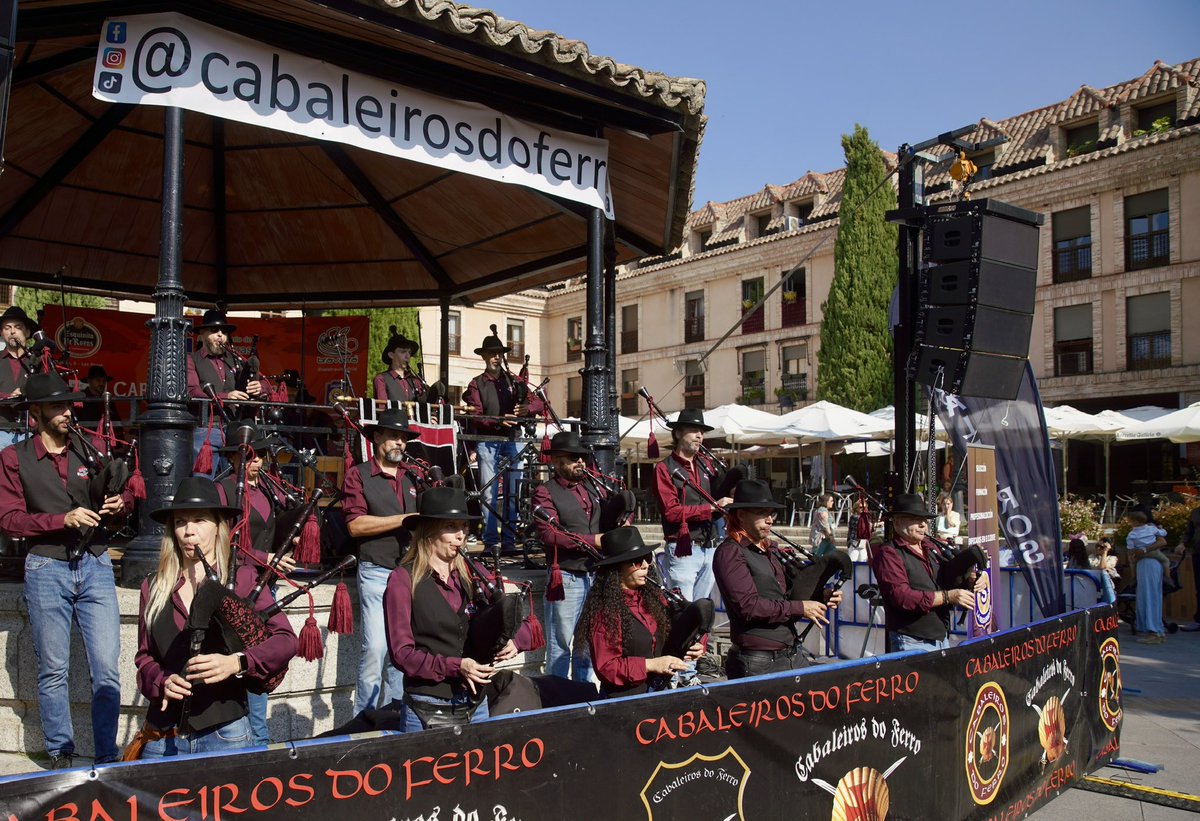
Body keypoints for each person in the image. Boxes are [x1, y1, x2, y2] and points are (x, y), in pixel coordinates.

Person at [0, 372, 130, 768]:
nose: (66, 412)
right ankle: (61, 753)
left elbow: (117, 491)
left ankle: (107, 756)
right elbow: (9, 519)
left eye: (68, 404)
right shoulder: (13, 457)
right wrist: (60, 520)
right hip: (46, 565)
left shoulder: (88, 448)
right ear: (36, 412)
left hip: (94, 562)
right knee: (53, 669)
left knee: (107, 669)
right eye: (56, 406)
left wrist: (117, 503)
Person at [133, 476, 297, 758]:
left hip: (225, 733)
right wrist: (162, 682)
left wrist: (238, 662)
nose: (189, 531)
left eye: (200, 520)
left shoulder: (241, 579)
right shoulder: (154, 586)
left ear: (219, 527)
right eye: (181, 522)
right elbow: (145, 658)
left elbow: (286, 641)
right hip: (162, 738)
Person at [384, 486, 535, 730]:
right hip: (427, 709)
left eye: (463, 528)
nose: (460, 536)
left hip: (476, 706)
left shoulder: (473, 573)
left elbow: (515, 612)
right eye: (451, 527)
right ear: (429, 532)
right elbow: (402, 654)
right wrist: (457, 665)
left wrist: (516, 640)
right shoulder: (402, 580)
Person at [215, 426, 299, 746]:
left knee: (260, 667)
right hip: (233, 587)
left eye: (261, 455)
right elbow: (222, 542)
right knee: (241, 667)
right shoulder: (223, 490)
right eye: (249, 455)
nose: (256, 461)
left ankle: (259, 745)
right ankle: (246, 745)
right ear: (235, 458)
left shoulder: (267, 491)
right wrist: (268, 558)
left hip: (264, 587)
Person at [713, 479, 841, 678]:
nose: (769, 520)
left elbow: (786, 595)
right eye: (761, 513)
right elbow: (748, 607)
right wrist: (801, 608)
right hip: (757, 661)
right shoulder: (730, 552)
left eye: (770, 513)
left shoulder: (770, 550)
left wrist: (820, 597)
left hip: (791, 653)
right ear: (740, 515)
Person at [342, 407, 421, 713]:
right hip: (376, 570)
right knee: (375, 649)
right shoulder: (358, 475)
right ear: (377, 438)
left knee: (403, 652)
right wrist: (404, 520)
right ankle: (364, 721)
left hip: (410, 573)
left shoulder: (412, 477)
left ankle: (396, 718)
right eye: (393, 437)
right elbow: (355, 525)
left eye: (403, 438)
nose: (399, 443)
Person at [575, 526, 704, 697]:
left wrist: (691, 646)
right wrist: (650, 665)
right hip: (623, 702)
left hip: (658, 694)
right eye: (636, 561)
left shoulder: (654, 599)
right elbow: (607, 668)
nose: (645, 565)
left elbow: (674, 635)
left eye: (646, 558)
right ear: (616, 568)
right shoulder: (605, 610)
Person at [462, 327, 542, 556]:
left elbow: (539, 403)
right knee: (488, 493)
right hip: (488, 440)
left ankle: (508, 542)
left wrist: (528, 408)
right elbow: (475, 415)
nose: (497, 356)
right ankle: (490, 543)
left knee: (513, 492)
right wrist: (498, 422)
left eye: (499, 353)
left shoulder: (514, 381)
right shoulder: (476, 383)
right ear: (484, 356)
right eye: (492, 353)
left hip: (513, 439)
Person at [870, 493, 984, 653]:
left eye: (924, 520)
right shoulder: (889, 554)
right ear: (897, 522)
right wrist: (947, 597)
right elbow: (901, 596)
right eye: (915, 519)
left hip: (941, 636)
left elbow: (947, 579)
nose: (923, 525)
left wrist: (971, 579)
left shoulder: (931, 547)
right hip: (911, 640)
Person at [530, 431, 601, 682]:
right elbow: (549, 535)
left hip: (595, 573)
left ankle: (583, 694)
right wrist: (595, 541)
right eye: (573, 458)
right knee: (560, 644)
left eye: (582, 457)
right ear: (556, 462)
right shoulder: (544, 492)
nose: (580, 462)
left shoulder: (592, 487)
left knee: (586, 643)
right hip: (567, 578)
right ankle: (557, 697)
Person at [653, 408, 732, 601]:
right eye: (694, 430)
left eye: (702, 432)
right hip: (683, 551)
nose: (699, 436)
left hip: (710, 547)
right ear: (678, 433)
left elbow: (718, 495)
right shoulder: (664, 469)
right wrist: (712, 508)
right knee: (685, 613)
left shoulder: (706, 465)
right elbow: (671, 512)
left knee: (702, 612)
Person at [185, 309, 263, 479]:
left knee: (237, 486)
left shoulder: (236, 360)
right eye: (214, 331)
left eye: (224, 332)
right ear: (201, 334)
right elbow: (193, 392)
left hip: (235, 432)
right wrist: (228, 396)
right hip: (207, 432)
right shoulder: (191, 359)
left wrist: (260, 387)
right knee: (203, 485)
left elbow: (266, 385)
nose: (220, 335)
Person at [0, 305, 41, 448]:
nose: (12, 331)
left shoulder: (37, 361)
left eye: (18, 327)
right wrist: (8, 397)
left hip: (31, 432)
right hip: (1, 430)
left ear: (28, 332)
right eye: (7, 328)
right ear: (1, 333)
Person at [1126, 510, 1169, 644]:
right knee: (1152, 596)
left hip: (1147, 564)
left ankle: (1153, 631)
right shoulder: (1151, 530)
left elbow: (1162, 542)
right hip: (1149, 564)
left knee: (1149, 596)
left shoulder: (1136, 533)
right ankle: (1157, 630)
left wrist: (1143, 551)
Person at [374, 326, 427, 403]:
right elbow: (382, 409)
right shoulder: (381, 379)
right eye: (403, 351)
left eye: (409, 352)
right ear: (391, 355)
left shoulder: (415, 381)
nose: (407, 356)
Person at [1066, 538, 1115, 605]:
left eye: (1101, 547)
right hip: (1080, 586)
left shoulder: (1112, 558)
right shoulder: (1091, 557)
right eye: (1097, 545)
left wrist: (1105, 552)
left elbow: (1102, 567)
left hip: (1100, 589)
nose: (1098, 548)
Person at [1175, 506, 1200, 632]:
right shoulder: (1196, 512)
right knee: (1199, 588)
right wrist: (1182, 543)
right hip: (1198, 553)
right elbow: (1188, 532)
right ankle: (1198, 621)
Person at [846, 497, 875, 563]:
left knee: (863, 563)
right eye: (861, 507)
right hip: (854, 544)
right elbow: (863, 523)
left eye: (865, 507)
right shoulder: (854, 517)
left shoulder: (866, 517)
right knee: (852, 562)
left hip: (863, 544)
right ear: (856, 508)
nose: (863, 509)